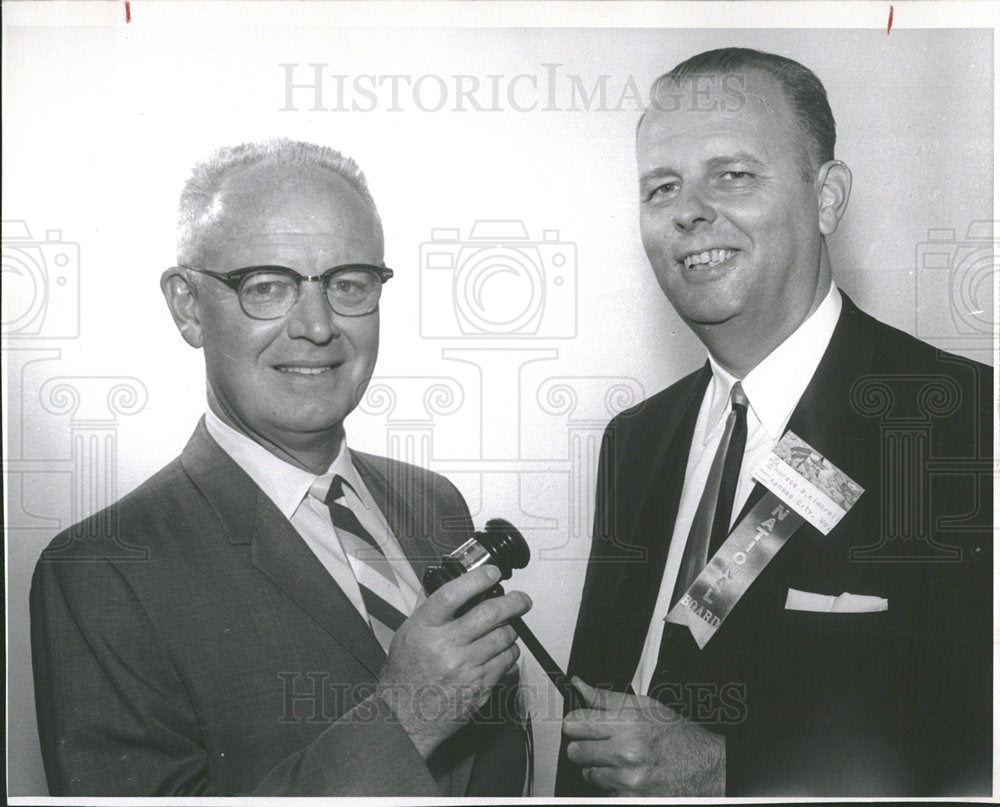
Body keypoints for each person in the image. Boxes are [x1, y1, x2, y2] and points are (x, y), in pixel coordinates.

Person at [30, 139, 532, 796]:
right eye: (268, 286)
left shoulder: (433, 503)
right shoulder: (101, 571)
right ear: (187, 307)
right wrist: (403, 721)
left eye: (348, 283)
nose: (319, 326)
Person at [556, 48, 992, 797]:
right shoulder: (634, 442)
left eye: (733, 174)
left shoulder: (967, 423)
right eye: (662, 187)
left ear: (827, 198)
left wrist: (732, 769)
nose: (689, 210)